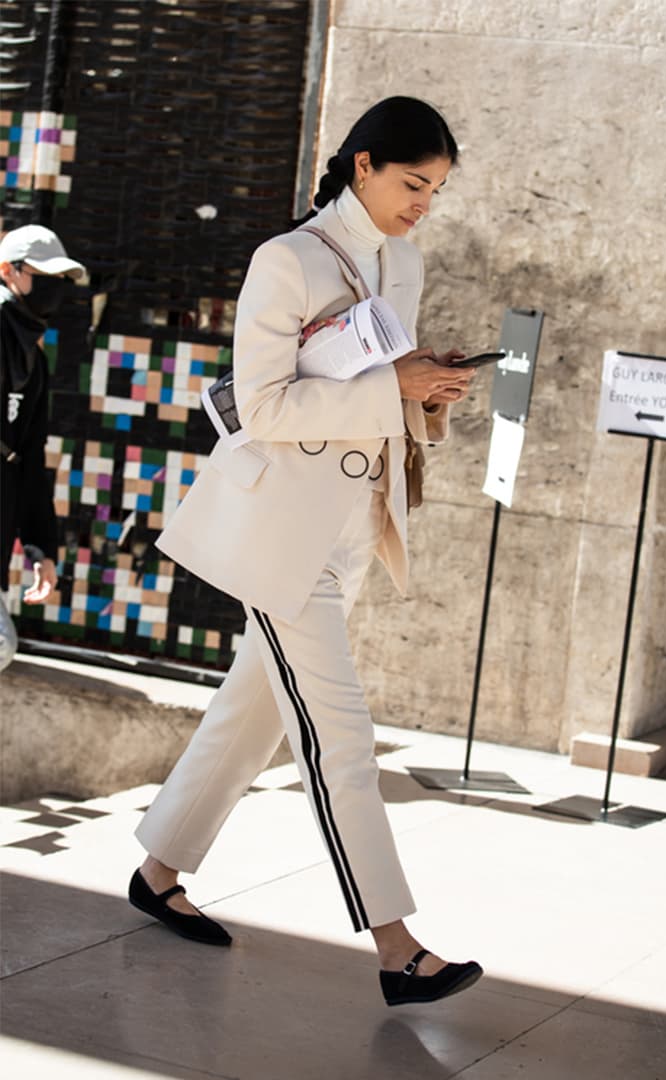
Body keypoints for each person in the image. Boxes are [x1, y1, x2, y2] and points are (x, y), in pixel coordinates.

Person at [129, 97, 483, 1006]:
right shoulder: (282, 261)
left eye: (437, 191)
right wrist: (386, 384)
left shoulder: (399, 260)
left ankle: (158, 870)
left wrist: (427, 396)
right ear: (361, 166)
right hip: (283, 535)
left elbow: (382, 392)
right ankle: (399, 950)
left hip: (355, 530)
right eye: (413, 184)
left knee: (251, 710)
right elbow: (268, 407)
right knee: (340, 736)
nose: (423, 206)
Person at [0, 225, 86, 672]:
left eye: (60, 280)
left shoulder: (32, 358)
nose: (53, 290)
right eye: (43, 275)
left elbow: (27, 459)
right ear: (6, 271)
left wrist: (41, 548)